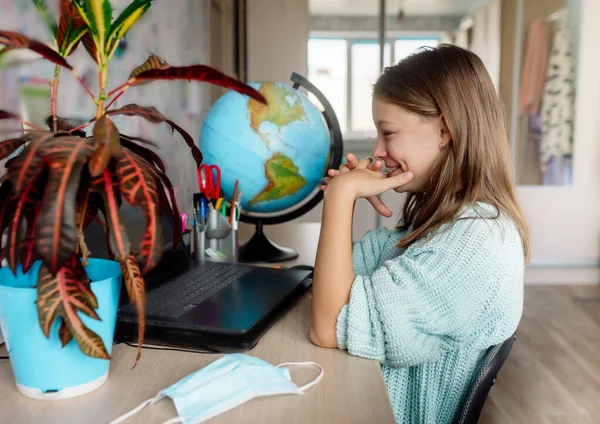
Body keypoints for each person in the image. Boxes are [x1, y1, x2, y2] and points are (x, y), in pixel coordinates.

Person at [309, 44, 529, 424]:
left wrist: (341, 199)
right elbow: (337, 290)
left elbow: (329, 326)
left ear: (444, 130)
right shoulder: (442, 223)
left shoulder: (477, 244)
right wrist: (342, 202)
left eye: (388, 132)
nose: (378, 151)